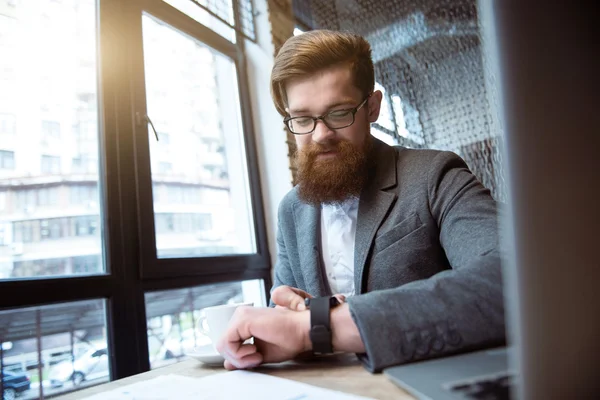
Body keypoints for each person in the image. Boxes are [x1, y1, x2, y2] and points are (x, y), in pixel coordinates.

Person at [216, 30, 505, 373]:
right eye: (303, 119)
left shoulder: (435, 174)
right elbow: (284, 315)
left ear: (372, 108)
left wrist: (316, 329)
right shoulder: (291, 210)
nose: (320, 135)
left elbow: (514, 276)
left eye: (339, 113)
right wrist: (285, 318)